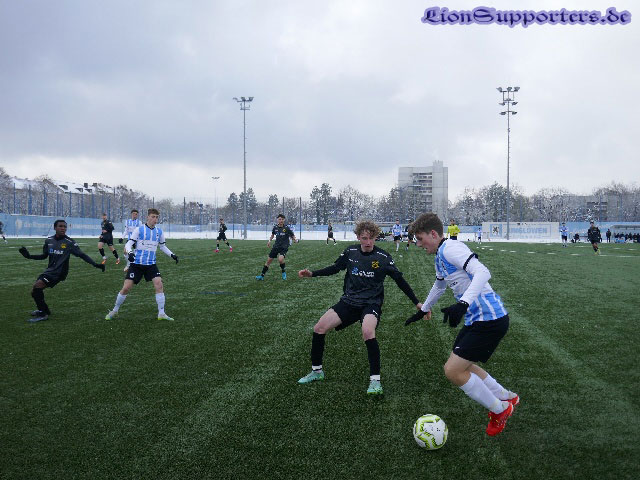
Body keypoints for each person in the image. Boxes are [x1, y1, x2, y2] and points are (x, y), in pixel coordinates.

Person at [406, 212, 518, 436]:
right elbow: (439, 286)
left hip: (489, 318)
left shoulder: (451, 248)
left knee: (453, 371)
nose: (418, 244)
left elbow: (482, 272)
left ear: (434, 234)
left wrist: (463, 303)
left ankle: (500, 409)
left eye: (420, 239)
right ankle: (506, 396)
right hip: (478, 318)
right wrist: (424, 309)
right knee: (462, 365)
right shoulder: (440, 255)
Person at [297, 220, 422, 395]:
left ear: (376, 237)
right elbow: (335, 268)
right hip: (349, 301)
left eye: (371, 238)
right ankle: (317, 371)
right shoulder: (351, 252)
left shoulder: (383, 257)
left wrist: (417, 302)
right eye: (364, 238)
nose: (368, 242)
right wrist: (312, 274)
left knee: (368, 331)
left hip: (371, 303)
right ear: (358, 237)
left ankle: (375, 381)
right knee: (319, 328)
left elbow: (400, 281)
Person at [18, 219, 105, 322]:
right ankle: (45, 310)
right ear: (55, 228)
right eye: (60, 226)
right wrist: (29, 256)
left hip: (59, 273)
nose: (63, 228)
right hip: (50, 271)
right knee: (34, 291)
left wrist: (95, 264)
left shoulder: (70, 242)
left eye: (64, 226)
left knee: (38, 286)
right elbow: (44, 256)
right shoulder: (49, 240)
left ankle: (43, 314)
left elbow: (82, 255)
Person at [105, 209, 178, 321]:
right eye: (153, 217)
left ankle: (161, 313)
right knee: (126, 288)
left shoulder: (159, 232)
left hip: (151, 264)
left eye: (157, 217)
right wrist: (130, 253)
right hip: (137, 264)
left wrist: (172, 255)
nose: (155, 219)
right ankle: (115, 310)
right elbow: (129, 244)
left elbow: (162, 246)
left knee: (159, 285)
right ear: (148, 217)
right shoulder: (139, 229)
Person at [256, 214, 297, 280]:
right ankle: (262, 276)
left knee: (280, 259)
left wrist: (294, 239)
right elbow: (272, 235)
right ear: (277, 220)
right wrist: (269, 241)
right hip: (276, 246)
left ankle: (283, 272)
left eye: (282, 219)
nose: (281, 220)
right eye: (280, 219)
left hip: (284, 247)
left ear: (284, 220)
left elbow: (292, 235)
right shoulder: (275, 227)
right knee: (268, 261)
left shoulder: (287, 228)